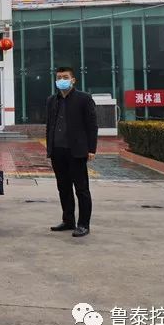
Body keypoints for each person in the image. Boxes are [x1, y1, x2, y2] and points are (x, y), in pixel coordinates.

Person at [46, 66, 98, 238]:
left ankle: (83, 224)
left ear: (73, 80)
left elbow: (92, 125)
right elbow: (49, 126)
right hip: (57, 151)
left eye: (65, 77)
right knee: (63, 188)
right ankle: (68, 220)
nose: (61, 80)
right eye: (59, 77)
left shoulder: (84, 99)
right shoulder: (52, 100)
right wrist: (49, 148)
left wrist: (91, 149)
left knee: (81, 189)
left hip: (76, 151)